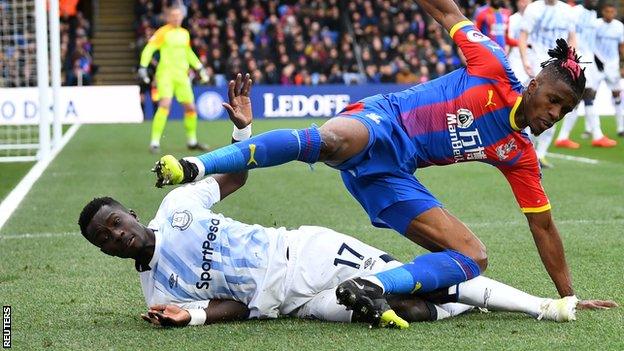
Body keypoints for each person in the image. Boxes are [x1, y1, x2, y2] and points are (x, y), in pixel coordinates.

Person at [152, 0, 614, 324]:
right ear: (534, 85)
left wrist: (569, 298)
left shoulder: (519, 155)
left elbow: (544, 227)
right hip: (382, 121)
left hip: (393, 177)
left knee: (473, 257)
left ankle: (374, 286)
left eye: (564, 111)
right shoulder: (493, 67)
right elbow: (446, 12)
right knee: (330, 139)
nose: (553, 115)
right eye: (553, 101)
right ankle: (197, 164)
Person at [79, 76, 602, 329]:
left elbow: (233, 182)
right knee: (403, 304)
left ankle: (542, 309)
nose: (116, 234)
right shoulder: (157, 293)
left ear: (129, 211)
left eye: (115, 221)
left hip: (306, 254)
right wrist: (190, 321)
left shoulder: (175, 210)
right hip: (292, 303)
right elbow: (234, 306)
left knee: (426, 297)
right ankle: (419, 292)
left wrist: (241, 132)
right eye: (105, 237)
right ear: (105, 252)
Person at [138, 5, 210, 154]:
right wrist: (143, 67)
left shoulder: (184, 33)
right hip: (165, 74)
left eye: (179, 16)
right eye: (174, 16)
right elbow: (149, 49)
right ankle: (154, 142)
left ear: (182, 17)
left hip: (182, 76)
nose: (176, 18)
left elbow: (188, 52)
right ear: (169, 17)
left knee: (191, 108)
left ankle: (192, 141)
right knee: (165, 104)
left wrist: (199, 67)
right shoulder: (162, 32)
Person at [518, 0, 576, 168]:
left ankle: (540, 155)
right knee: (529, 109)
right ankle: (524, 152)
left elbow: (572, 37)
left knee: (554, 111)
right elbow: (523, 36)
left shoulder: (567, 11)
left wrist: (573, 61)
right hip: (538, 67)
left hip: (560, 70)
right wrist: (525, 60)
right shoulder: (534, 9)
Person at [554, 0, 618, 149]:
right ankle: (596, 135)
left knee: (581, 98)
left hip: (589, 60)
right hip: (578, 58)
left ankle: (564, 137)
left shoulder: (592, 14)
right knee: (587, 95)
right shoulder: (574, 11)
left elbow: (591, 40)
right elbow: (569, 35)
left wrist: (598, 60)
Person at [592, 3, 624, 138]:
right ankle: (592, 128)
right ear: (603, 12)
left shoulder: (619, 26)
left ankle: (621, 126)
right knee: (590, 95)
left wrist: (622, 65)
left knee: (617, 94)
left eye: (612, 12)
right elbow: (590, 44)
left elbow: (622, 46)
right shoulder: (596, 24)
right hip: (597, 64)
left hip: (612, 65)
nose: (609, 14)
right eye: (607, 11)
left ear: (615, 12)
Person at [506, 0, 531, 84]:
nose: (524, 3)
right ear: (517, 3)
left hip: (531, 55)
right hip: (516, 56)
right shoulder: (513, 18)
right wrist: (523, 43)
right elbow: (508, 39)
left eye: (527, 1)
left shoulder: (535, 17)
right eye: (522, 1)